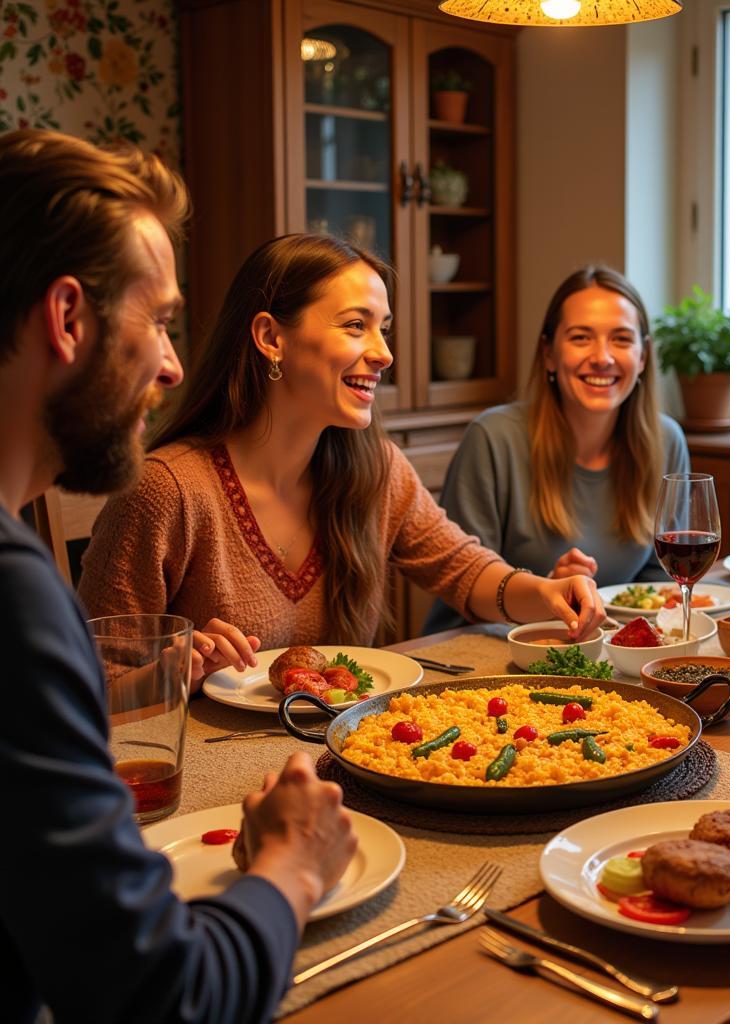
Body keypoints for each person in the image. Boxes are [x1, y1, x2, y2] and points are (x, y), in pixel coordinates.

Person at [0, 129, 357, 1023]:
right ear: (69, 317)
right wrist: (292, 862)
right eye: (158, 320)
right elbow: (167, 1000)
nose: (171, 363)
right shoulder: (13, 599)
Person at [77, 235, 602, 684]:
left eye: (384, 328)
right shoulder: (166, 490)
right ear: (270, 338)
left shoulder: (375, 468)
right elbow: (87, 691)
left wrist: (550, 594)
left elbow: (463, 569)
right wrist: (173, 671)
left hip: (343, 754)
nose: (384, 353)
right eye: (356, 326)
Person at [424, 265, 688, 633]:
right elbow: (461, 584)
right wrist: (544, 594)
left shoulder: (667, 441)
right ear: (548, 353)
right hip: (479, 654)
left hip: (597, 653)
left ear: (643, 357)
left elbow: (654, 584)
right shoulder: (493, 438)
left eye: (622, 339)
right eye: (581, 338)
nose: (602, 357)